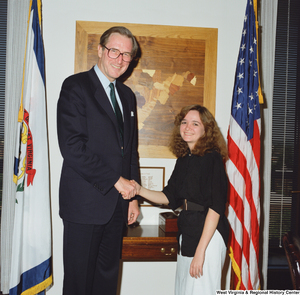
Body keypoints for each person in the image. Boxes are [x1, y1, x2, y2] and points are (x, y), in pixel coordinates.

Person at [57, 26, 140, 295]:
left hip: (116, 208)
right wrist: (117, 181)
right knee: (79, 284)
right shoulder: (76, 86)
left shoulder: (127, 96)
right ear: (100, 50)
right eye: (114, 51)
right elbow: (72, 148)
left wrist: (133, 196)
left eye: (126, 55)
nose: (120, 59)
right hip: (84, 206)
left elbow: (130, 151)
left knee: (106, 282)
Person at [129, 104, 229, 294]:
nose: (187, 127)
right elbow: (168, 196)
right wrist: (138, 189)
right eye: (184, 122)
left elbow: (216, 208)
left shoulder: (212, 158)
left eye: (195, 123)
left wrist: (201, 252)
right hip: (188, 230)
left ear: (206, 129)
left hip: (208, 237)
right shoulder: (184, 159)